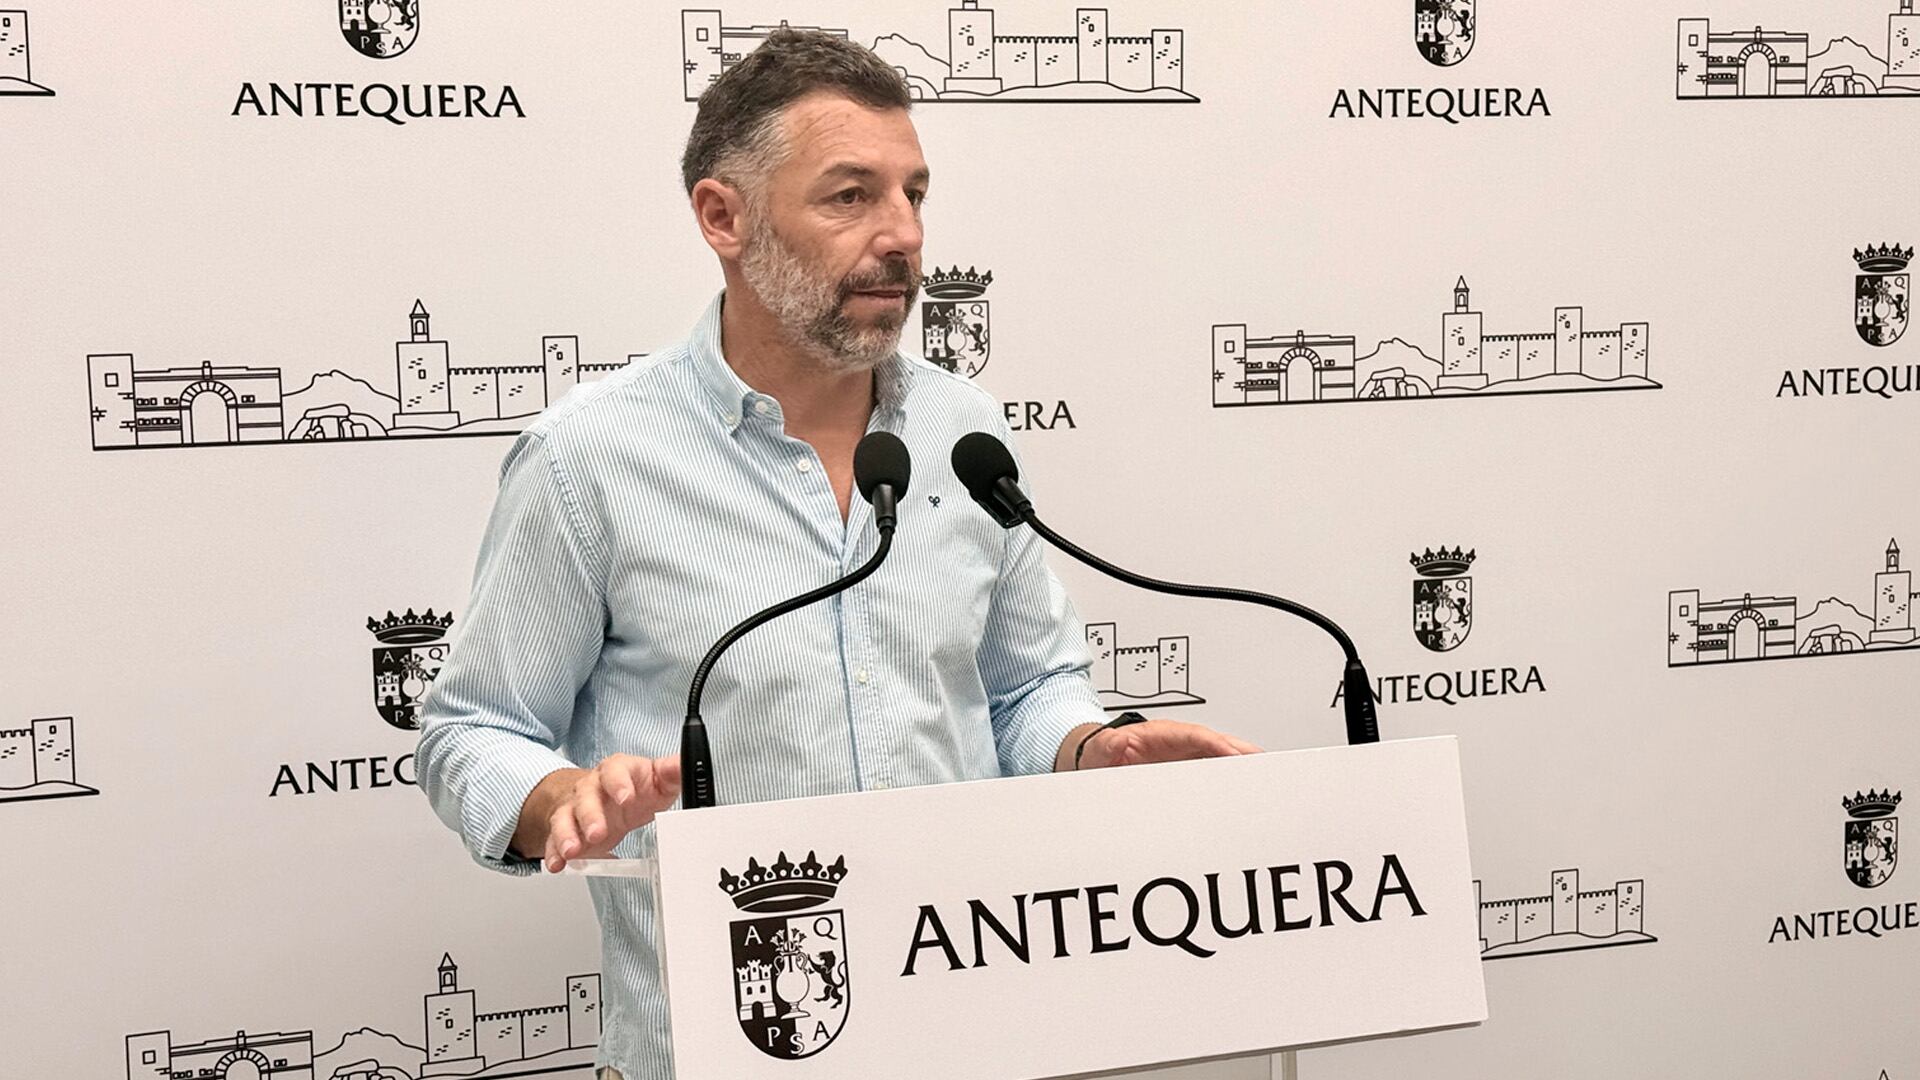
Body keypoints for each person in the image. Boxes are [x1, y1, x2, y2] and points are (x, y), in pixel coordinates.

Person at [415, 29, 1259, 1080]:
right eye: (851, 196)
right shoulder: (589, 459)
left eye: (914, 194)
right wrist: (559, 801)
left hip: (973, 1035)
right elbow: (472, 729)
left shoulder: (962, 432)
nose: (904, 236)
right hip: (727, 1052)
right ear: (723, 217)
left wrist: (1089, 747)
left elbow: (1027, 687)